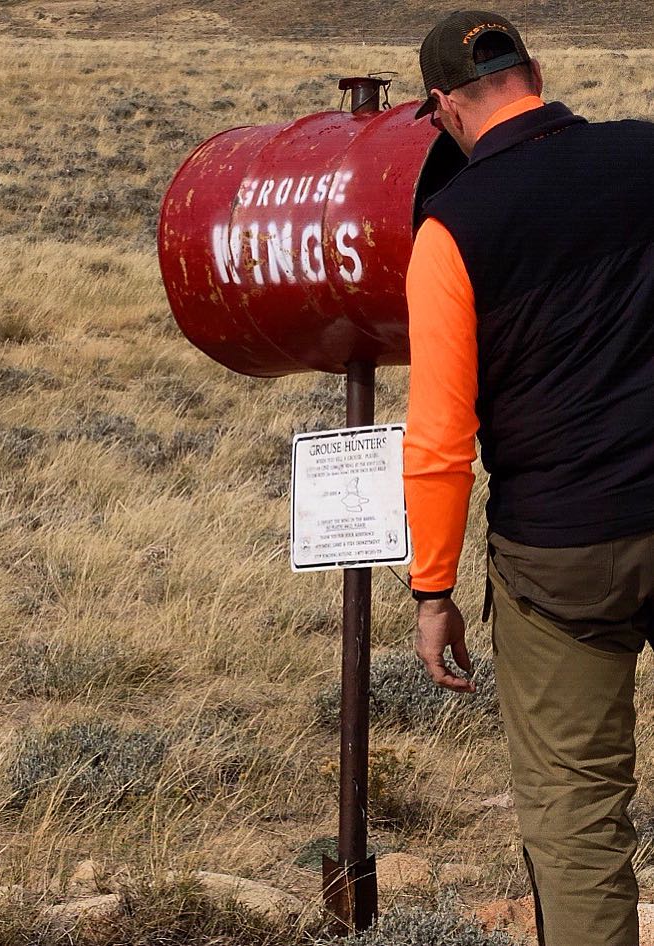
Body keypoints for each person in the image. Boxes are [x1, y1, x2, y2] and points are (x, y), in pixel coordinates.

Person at [404, 10, 654, 946]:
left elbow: (438, 440)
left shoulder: (453, 228)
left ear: (444, 109)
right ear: (537, 73)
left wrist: (433, 590)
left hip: (562, 554)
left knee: (578, 817)